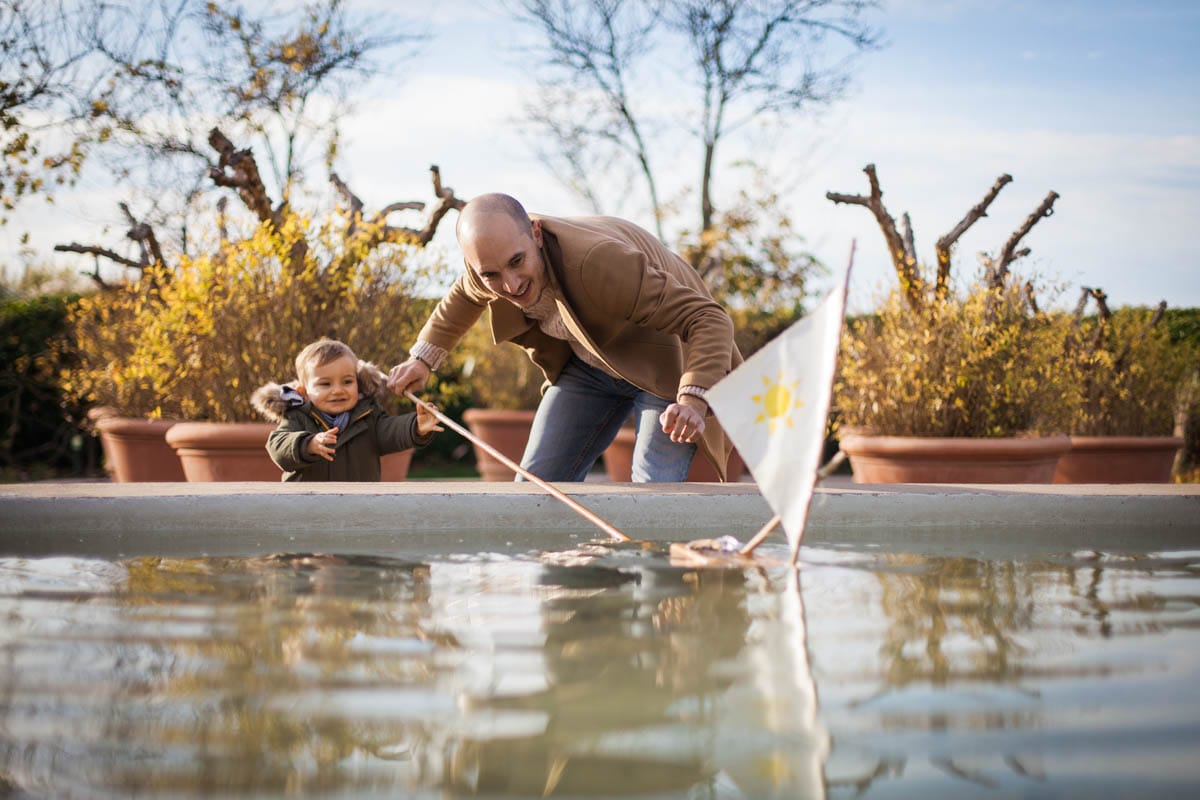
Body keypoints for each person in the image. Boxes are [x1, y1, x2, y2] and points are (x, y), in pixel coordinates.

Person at [386, 193, 742, 482]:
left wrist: (693, 399)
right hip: (591, 365)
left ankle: (657, 567)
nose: (511, 285)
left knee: (651, 489)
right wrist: (421, 360)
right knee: (536, 488)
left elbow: (709, 317)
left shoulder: (596, 261)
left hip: (663, 363)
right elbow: (462, 298)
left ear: (536, 234)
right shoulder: (487, 267)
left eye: (517, 261)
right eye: (492, 274)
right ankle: (574, 571)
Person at [252, 338, 442, 481]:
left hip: (359, 507)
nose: (338, 390)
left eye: (347, 381)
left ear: (358, 383)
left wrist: (415, 426)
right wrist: (307, 444)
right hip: (307, 509)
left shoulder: (368, 415)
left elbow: (389, 431)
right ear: (304, 392)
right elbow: (277, 446)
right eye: (325, 384)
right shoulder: (297, 416)